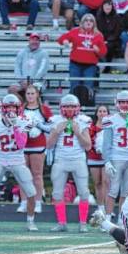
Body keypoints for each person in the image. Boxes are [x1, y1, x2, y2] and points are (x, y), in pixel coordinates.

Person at [0, 94, 38, 231]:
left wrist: (16, 126)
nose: (11, 110)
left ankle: (30, 221)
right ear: (3, 109)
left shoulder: (24, 121)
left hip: (18, 160)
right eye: (8, 107)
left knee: (31, 193)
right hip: (0, 160)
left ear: (18, 109)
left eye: (13, 107)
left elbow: (22, 144)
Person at [47, 94, 92, 232]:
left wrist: (78, 133)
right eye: (67, 106)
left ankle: (83, 223)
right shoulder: (55, 121)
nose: (70, 109)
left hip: (78, 160)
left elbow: (88, 146)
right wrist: (56, 132)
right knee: (57, 194)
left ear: (78, 107)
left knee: (84, 193)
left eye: (72, 106)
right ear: (61, 107)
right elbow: (48, 145)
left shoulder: (83, 121)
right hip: (60, 160)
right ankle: (62, 223)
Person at [102, 91, 128, 221]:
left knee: (126, 192)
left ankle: (121, 218)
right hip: (116, 158)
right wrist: (107, 161)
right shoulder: (110, 120)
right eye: (122, 102)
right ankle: (107, 219)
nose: (125, 105)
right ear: (117, 103)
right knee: (113, 191)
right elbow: (106, 143)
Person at [18, 83, 51, 213]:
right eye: (28, 94)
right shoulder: (21, 109)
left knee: (37, 175)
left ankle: (37, 202)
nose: (30, 96)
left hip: (38, 145)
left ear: (37, 95)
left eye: (32, 93)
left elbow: (51, 128)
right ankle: (24, 202)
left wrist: (39, 127)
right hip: (23, 145)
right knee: (23, 175)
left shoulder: (44, 110)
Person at [57, 13, 106, 102]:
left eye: (91, 21)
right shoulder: (75, 31)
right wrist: (65, 41)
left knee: (88, 86)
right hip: (75, 64)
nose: (88, 22)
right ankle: (72, 105)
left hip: (90, 66)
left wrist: (97, 50)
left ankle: (87, 106)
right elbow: (61, 39)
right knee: (74, 86)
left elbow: (103, 52)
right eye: (86, 20)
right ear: (82, 22)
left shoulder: (98, 35)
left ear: (94, 23)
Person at [87, 104, 109, 219]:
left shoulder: (111, 126)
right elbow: (88, 142)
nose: (102, 113)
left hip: (106, 159)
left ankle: (107, 208)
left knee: (106, 182)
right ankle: (100, 207)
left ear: (107, 113)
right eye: (100, 111)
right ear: (96, 113)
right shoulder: (91, 127)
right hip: (94, 157)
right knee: (98, 183)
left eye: (104, 111)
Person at [96, 0, 122, 68]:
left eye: (109, 5)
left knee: (109, 46)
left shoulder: (117, 17)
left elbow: (117, 31)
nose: (107, 7)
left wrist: (108, 40)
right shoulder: (98, 17)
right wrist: (102, 40)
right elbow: (97, 30)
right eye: (106, 5)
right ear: (103, 7)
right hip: (101, 39)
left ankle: (107, 65)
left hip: (113, 40)